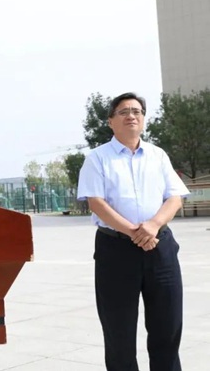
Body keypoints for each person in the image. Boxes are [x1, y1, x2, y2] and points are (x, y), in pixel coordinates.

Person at [77, 92, 189, 371]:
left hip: (160, 248)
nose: (132, 116)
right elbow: (96, 202)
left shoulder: (157, 155)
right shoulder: (97, 158)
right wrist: (134, 232)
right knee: (119, 333)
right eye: (124, 111)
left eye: (137, 111)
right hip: (116, 251)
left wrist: (152, 226)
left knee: (168, 329)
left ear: (143, 119)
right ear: (111, 121)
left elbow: (174, 197)